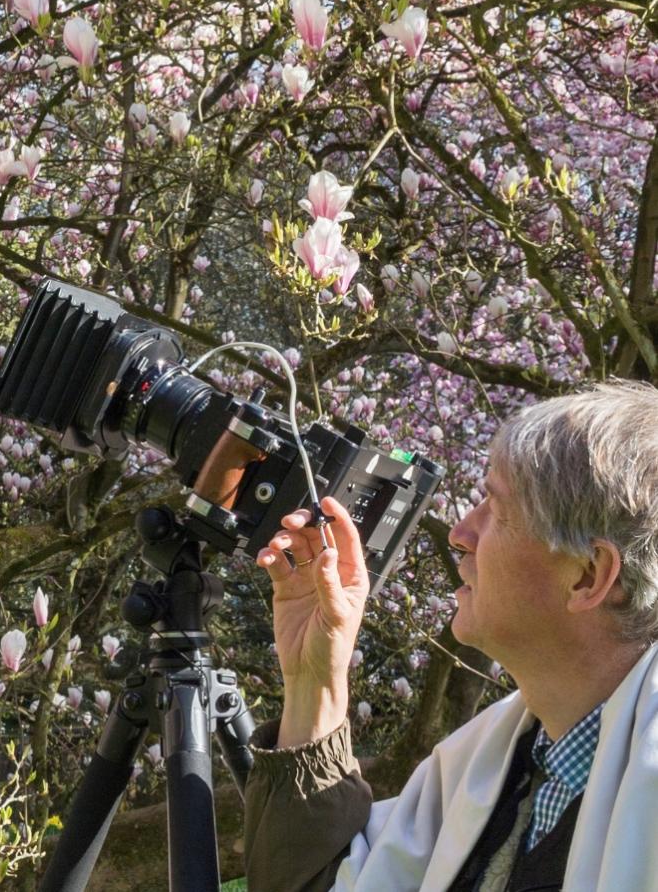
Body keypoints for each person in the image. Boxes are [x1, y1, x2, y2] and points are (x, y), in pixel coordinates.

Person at [243, 380, 658, 892]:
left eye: (497, 512)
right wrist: (315, 680)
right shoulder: (488, 764)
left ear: (588, 576)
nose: (461, 534)